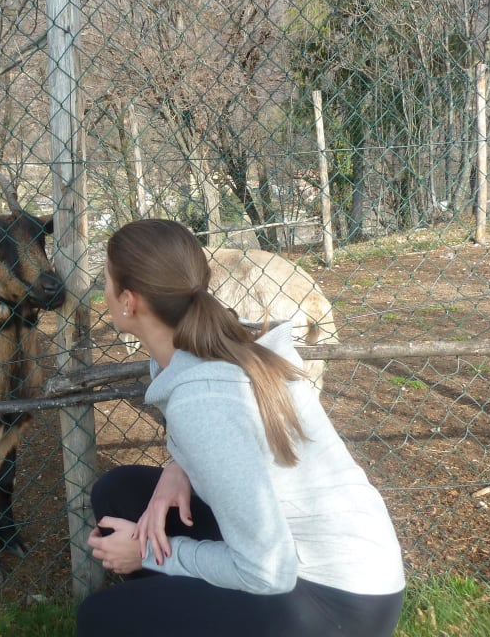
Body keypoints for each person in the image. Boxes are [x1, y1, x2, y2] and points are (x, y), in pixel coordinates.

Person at [77, 219, 405, 637]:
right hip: (333, 569)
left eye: (104, 279)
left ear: (128, 302)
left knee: (99, 619)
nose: (100, 291)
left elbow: (268, 571)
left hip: (337, 601)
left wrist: (150, 555)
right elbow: (233, 435)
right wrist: (176, 469)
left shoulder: (203, 398)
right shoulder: (200, 348)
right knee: (119, 494)